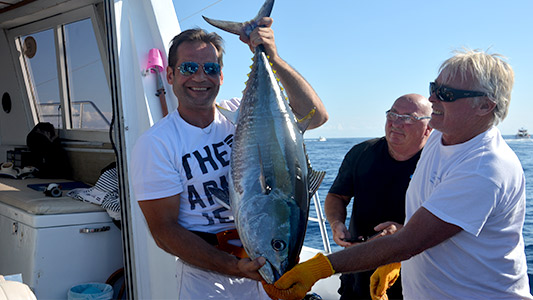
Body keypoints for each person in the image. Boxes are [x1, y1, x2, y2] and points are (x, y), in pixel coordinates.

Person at [263, 49, 533, 300]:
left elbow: (410, 242)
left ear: (485, 106)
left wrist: (320, 268)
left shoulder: (484, 167)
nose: (432, 99)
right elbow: (424, 231)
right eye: (434, 88)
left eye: (446, 94)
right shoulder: (441, 137)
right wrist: (399, 251)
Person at [130, 17, 328, 299]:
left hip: (265, 270)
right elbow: (164, 231)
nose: (200, 77)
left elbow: (316, 116)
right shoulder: (156, 144)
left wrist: (272, 56)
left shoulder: (243, 113)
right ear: (170, 75)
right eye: (189, 68)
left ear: (221, 76)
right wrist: (235, 267)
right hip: (208, 280)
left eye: (210, 68)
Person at [325, 93, 432, 299]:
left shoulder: (437, 163)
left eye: (408, 117)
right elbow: (337, 196)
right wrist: (336, 223)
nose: (396, 123)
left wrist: (404, 233)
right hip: (357, 272)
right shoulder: (362, 152)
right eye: (392, 114)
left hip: (413, 279)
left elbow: (447, 225)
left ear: (429, 128)